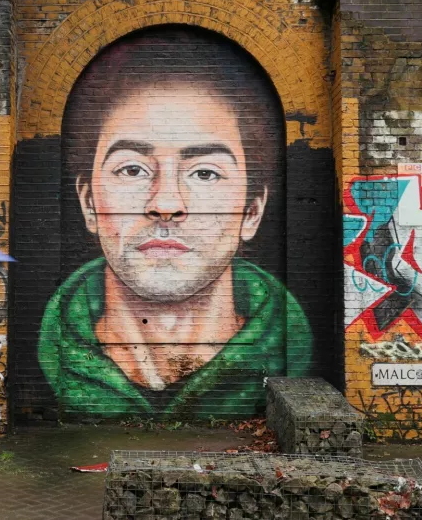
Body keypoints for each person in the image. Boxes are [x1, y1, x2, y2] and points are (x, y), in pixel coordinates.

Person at [38, 27, 312, 419]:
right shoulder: (47, 355)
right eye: (132, 169)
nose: (166, 203)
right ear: (88, 204)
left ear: (252, 210)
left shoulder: (294, 348)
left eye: (204, 173)